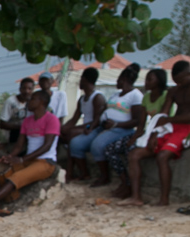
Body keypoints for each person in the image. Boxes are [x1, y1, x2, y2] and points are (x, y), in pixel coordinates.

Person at [121, 60, 190, 207]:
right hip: (171, 127)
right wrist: (154, 134)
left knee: (162, 156)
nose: (178, 83)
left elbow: (173, 118)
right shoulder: (174, 91)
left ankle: (164, 200)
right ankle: (136, 197)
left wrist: (168, 120)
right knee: (134, 154)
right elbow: (162, 115)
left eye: (181, 80)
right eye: (176, 81)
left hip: (186, 129)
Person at [69, 63, 144, 188]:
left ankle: (104, 176)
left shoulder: (136, 95)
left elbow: (137, 120)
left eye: (118, 79)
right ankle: (85, 174)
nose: (116, 82)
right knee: (76, 143)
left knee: (97, 145)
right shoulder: (115, 95)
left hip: (121, 129)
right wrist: (91, 127)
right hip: (103, 127)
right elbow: (102, 112)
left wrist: (116, 124)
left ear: (124, 79)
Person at [106, 68, 170, 199]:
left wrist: (152, 135)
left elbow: (163, 119)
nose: (146, 82)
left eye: (150, 79)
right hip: (148, 132)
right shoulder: (146, 97)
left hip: (162, 132)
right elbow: (141, 123)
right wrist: (135, 137)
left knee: (132, 153)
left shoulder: (166, 96)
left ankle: (132, 190)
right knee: (111, 149)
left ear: (159, 81)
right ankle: (125, 182)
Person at [0, 90, 60, 205]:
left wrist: (22, 159)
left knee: (15, 177)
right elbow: (19, 145)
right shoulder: (27, 121)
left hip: (46, 162)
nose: (29, 101)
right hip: (29, 160)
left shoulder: (52, 119)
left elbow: (47, 146)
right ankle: (7, 200)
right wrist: (10, 157)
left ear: (42, 102)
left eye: (33, 99)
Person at [62, 67, 106, 181]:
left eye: (81, 79)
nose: (79, 82)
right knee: (63, 133)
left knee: (71, 134)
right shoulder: (82, 99)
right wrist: (63, 127)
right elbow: (74, 119)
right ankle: (76, 172)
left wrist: (76, 128)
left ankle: (71, 171)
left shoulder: (97, 97)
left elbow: (97, 121)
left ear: (85, 79)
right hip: (86, 127)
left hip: (95, 128)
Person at [0, 78, 35, 146]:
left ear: (33, 90)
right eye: (24, 88)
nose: (26, 91)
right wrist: (23, 127)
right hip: (14, 136)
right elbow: (2, 124)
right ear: (20, 89)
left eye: (29, 89)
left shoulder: (34, 102)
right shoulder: (11, 101)